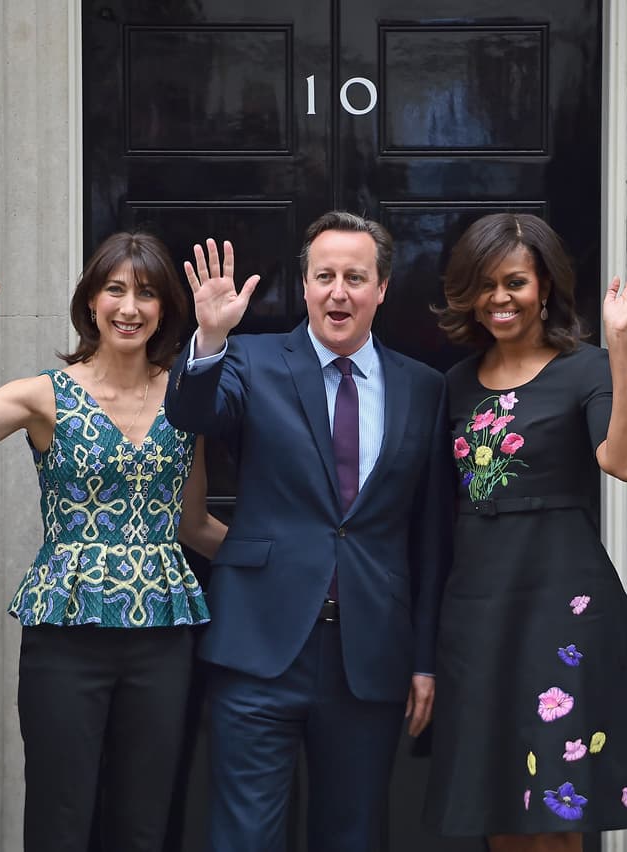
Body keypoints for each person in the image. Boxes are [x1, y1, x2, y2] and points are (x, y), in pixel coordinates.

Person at [0, 231, 227, 852]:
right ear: (90, 302)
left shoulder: (189, 398)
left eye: (146, 294)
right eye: (115, 290)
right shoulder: (44, 394)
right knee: (61, 815)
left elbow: (194, 524)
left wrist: (284, 565)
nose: (129, 308)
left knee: (143, 821)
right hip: (66, 635)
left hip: (161, 638)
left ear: (164, 310)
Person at [163, 211, 453, 852]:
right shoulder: (251, 359)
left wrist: (426, 659)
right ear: (304, 286)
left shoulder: (426, 389)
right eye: (325, 276)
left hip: (370, 654)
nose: (338, 292)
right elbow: (192, 410)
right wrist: (209, 340)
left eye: (356, 277)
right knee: (244, 835)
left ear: (382, 288)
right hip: (259, 648)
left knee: (353, 835)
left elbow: (431, 539)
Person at [423, 214, 627, 851]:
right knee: (497, 803)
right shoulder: (451, 387)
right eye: (485, 285)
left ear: (545, 288)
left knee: (560, 807)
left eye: (515, 283)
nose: (499, 299)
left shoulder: (585, 369)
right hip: (477, 613)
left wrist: (620, 342)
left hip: (564, 607)